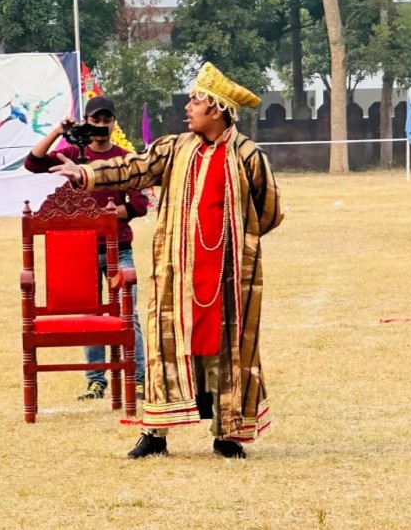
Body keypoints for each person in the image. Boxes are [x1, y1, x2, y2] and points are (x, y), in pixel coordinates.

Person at [51, 63, 283, 459]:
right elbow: (133, 169)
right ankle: (155, 434)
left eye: (195, 101)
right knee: (166, 346)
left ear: (216, 109)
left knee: (227, 349)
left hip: (227, 277)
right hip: (176, 274)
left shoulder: (247, 155)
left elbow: (269, 211)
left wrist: (237, 242)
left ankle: (228, 434)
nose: (187, 107)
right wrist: (85, 174)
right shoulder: (175, 148)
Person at [24, 96, 149, 401]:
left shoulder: (125, 159)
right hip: (83, 248)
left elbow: (139, 205)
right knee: (91, 315)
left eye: (106, 120)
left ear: (114, 123)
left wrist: (103, 216)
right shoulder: (72, 154)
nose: (101, 126)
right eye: (95, 120)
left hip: (119, 247)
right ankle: (96, 381)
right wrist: (59, 130)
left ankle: (138, 379)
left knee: (128, 314)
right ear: (86, 122)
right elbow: (33, 163)